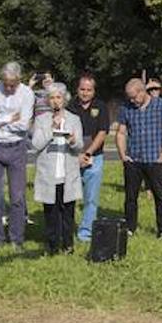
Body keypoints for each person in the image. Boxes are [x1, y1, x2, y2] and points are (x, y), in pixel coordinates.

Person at [0, 62, 33, 250]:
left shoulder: (27, 93)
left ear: (19, 80)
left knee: (17, 197)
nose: (9, 88)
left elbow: (24, 125)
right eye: (6, 83)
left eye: (13, 84)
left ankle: (16, 239)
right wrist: (9, 118)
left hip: (16, 147)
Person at [117, 77, 162, 240]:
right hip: (134, 160)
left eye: (134, 97)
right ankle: (130, 227)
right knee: (130, 197)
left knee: (160, 196)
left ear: (142, 92)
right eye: (129, 97)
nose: (132, 100)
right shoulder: (126, 108)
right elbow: (121, 132)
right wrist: (123, 155)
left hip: (155, 158)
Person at [32, 83, 83, 255]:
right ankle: (52, 246)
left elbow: (79, 146)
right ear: (48, 100)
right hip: (49, 175)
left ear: (64, 99)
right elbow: (36, 144)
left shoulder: (74, 119)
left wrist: (73, 141)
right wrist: (51, 128)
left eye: (58, 97)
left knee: (68, 212)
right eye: (52, 98)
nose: (55, 101)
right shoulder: (41, 120)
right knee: (51, 214)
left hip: (68, 174)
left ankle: (68, 245)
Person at [67, 74, 110, 243]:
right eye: (82, 89)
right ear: (77, 90)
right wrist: (77, 153)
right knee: (68, 196)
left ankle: (85, 232)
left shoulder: (101, 106)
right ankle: (67, 229)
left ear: (94, 91)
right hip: (72, 156)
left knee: (91, 198)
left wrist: (88, 153)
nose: (85, 93)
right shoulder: (70, 107)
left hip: (94, 157)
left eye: (89, 90)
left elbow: (103, 132)